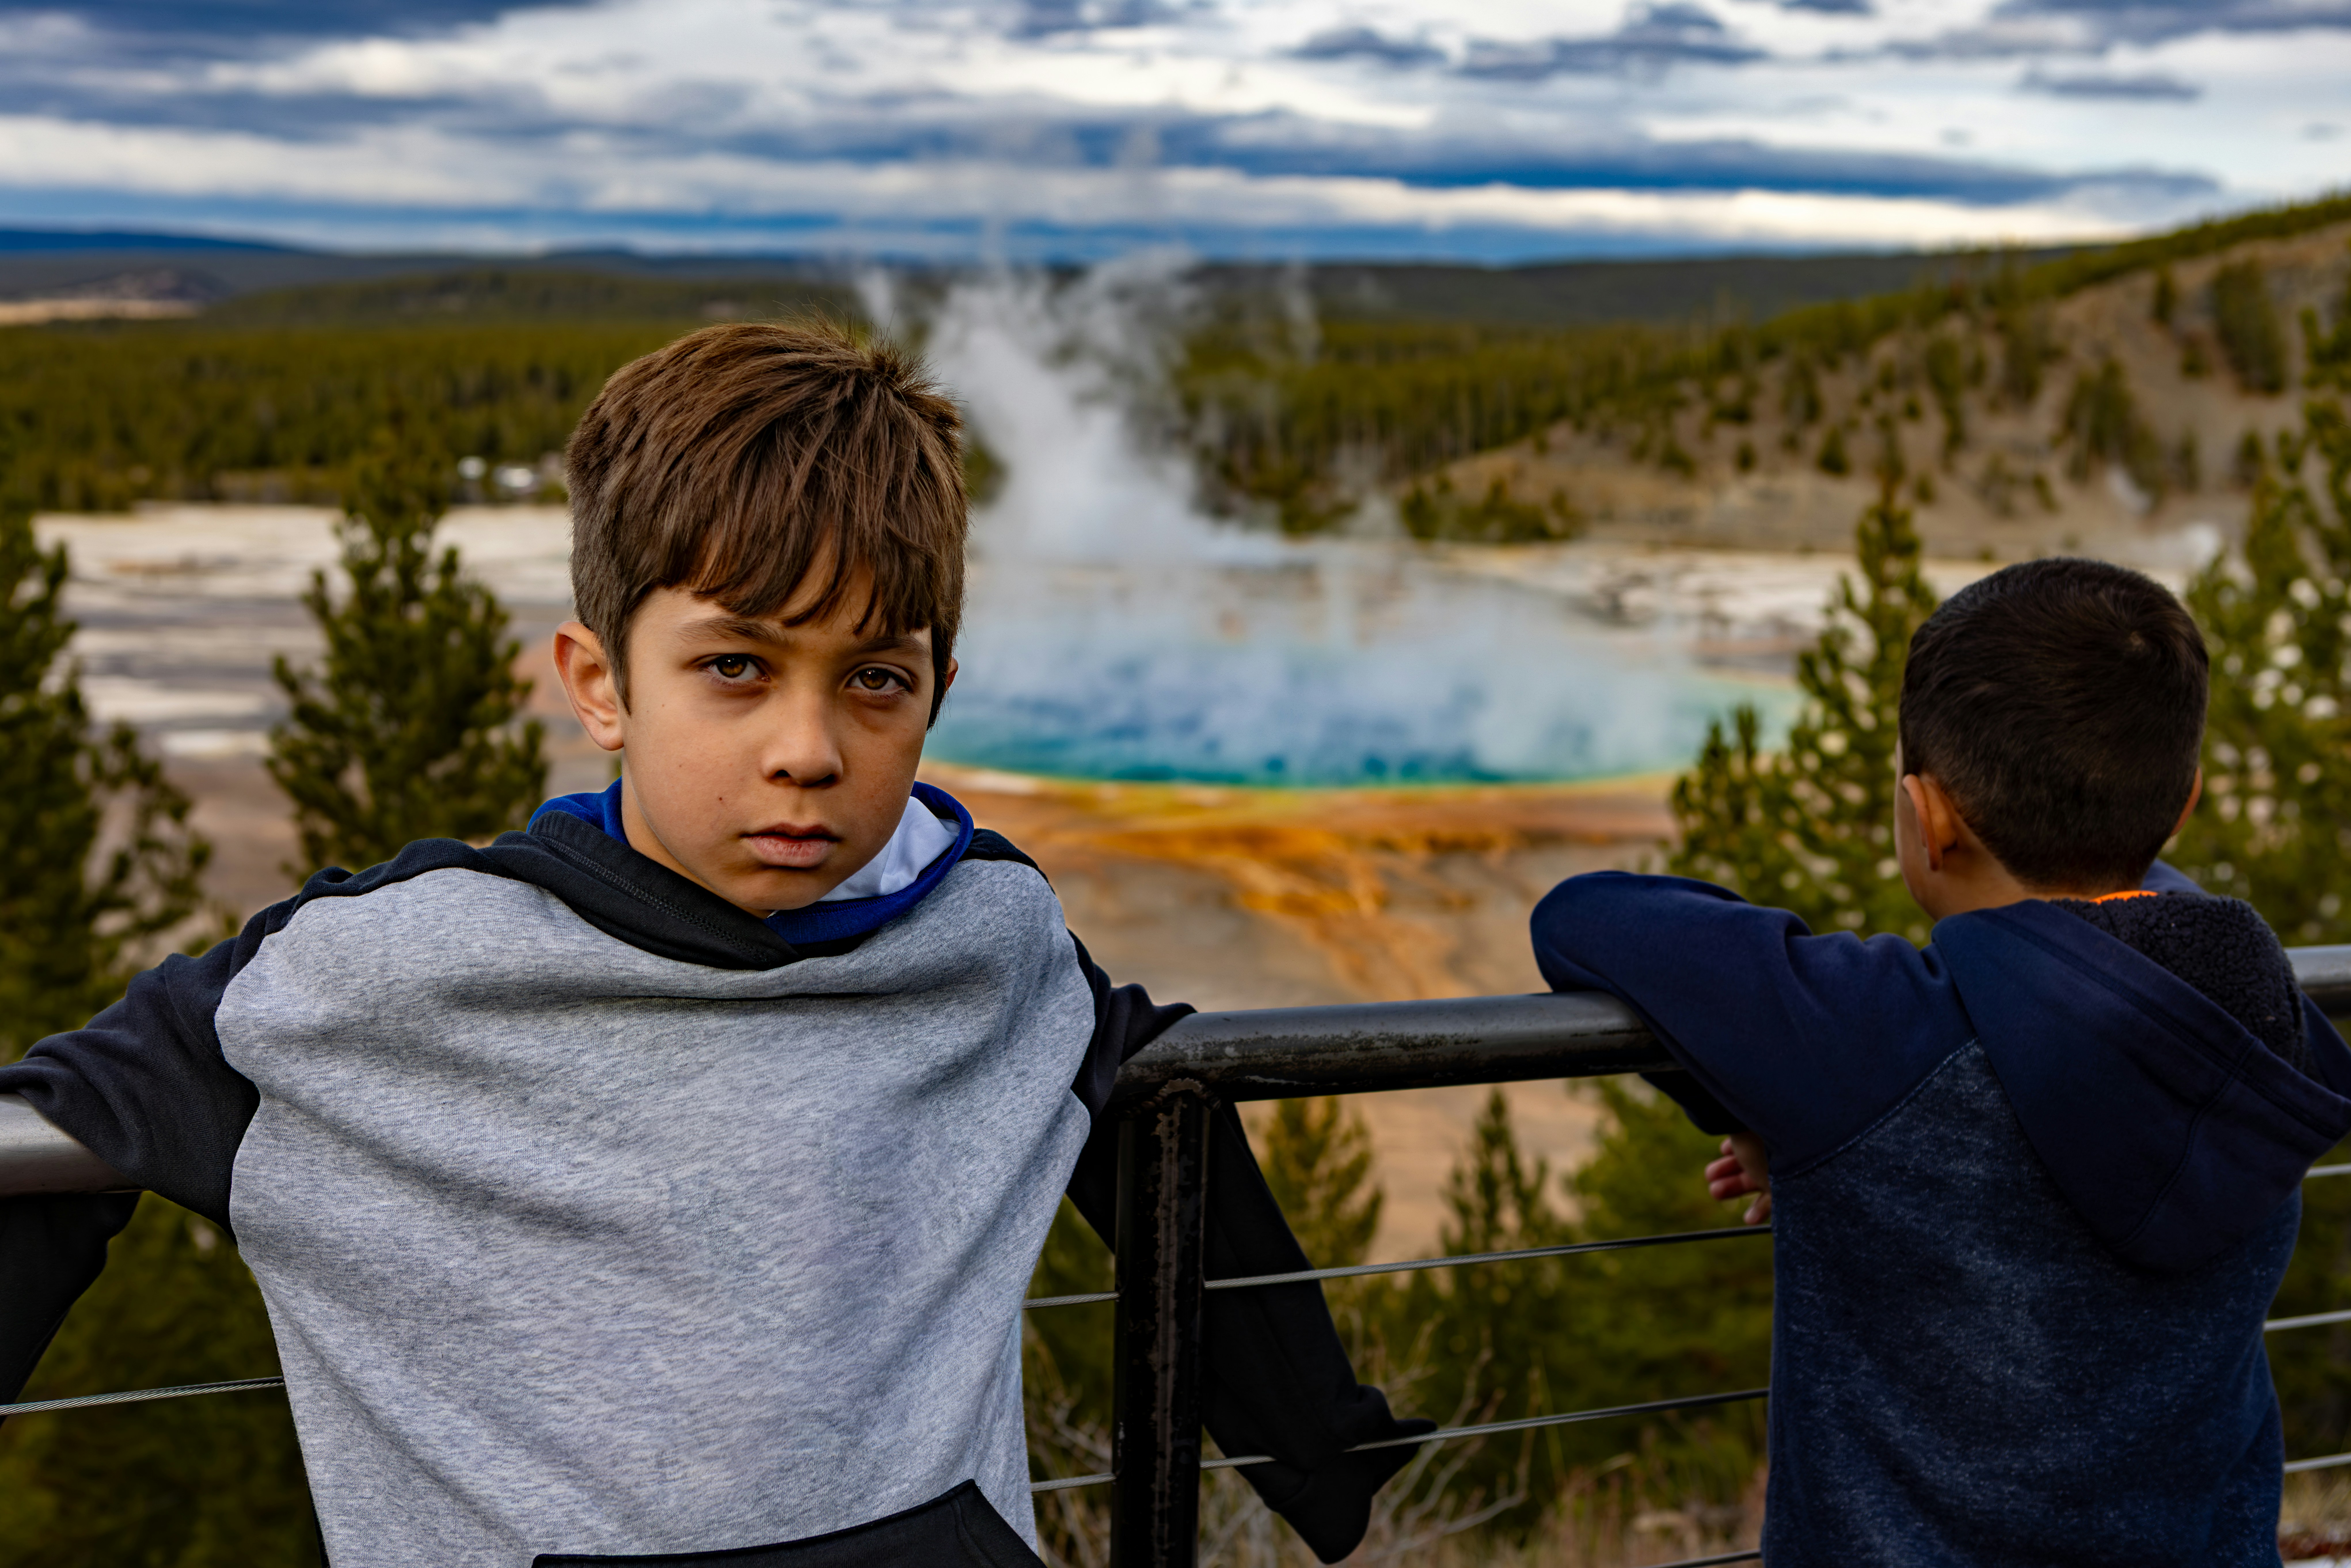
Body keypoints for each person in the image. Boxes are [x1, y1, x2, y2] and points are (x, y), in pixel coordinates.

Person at [0, 321, 1425, 1567]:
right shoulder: (379, 973)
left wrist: (1322, 1454)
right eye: (734, 668)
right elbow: (63, 1129)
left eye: (875, 680)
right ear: (600, 683)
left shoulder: (990, 937)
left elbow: (1144, 1095)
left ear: (935, 694)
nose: (807, 752)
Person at [1530, 557, 2351, 1565]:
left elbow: (1585, 918)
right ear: (2181, 805)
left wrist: (1758, 1098)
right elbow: (2147, 919)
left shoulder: (1871, 1044)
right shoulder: (2250, 1018)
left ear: (1929, 818)